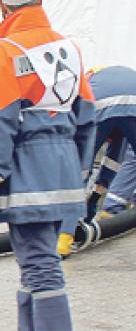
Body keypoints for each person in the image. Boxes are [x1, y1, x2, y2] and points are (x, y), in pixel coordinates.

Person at [0, 0, 95, 331]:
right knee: (31, 258)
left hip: (27, 170)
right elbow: (87, 116)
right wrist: (77, 170)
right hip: (62, 166)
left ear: (1, 4)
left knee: (40, 262)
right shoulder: (68, 48)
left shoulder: (6, 52)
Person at [56, 65, 136, 256]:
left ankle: (63, 239)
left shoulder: (85, 81)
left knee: (79, 172)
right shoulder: (114, 74)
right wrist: (97, 195)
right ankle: (108, 215)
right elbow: (113, 160)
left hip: (98, 108)